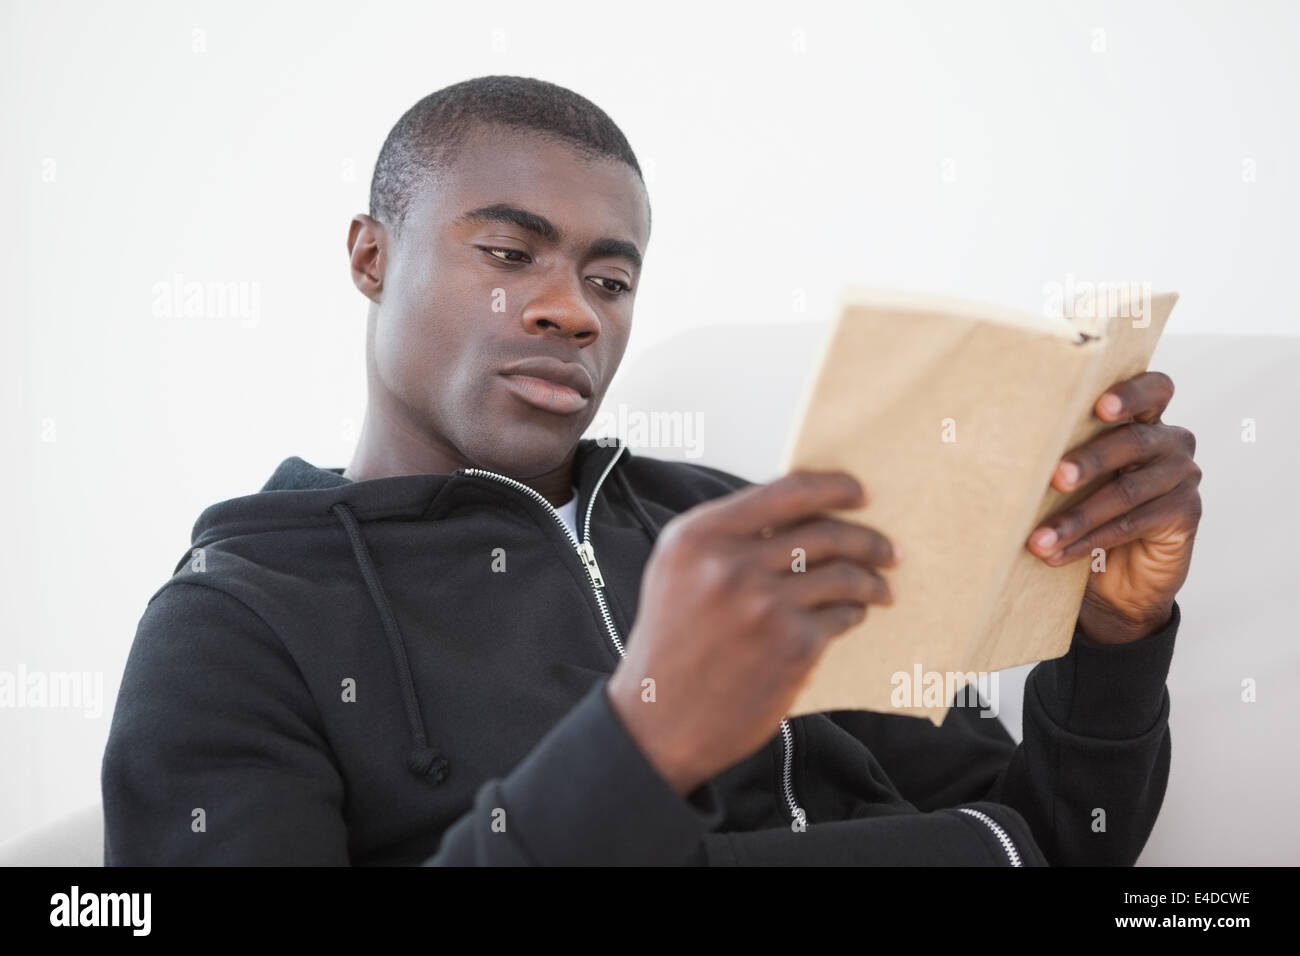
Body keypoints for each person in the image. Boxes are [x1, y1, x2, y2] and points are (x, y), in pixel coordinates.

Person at [101, 75, 1202, 866]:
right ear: (371, 257)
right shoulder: (232, 622)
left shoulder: (733, 525)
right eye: (507, 252)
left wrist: (1110, 639)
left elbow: (1051, 839)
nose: (570, 308)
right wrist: (640, 741)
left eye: (610, 278)